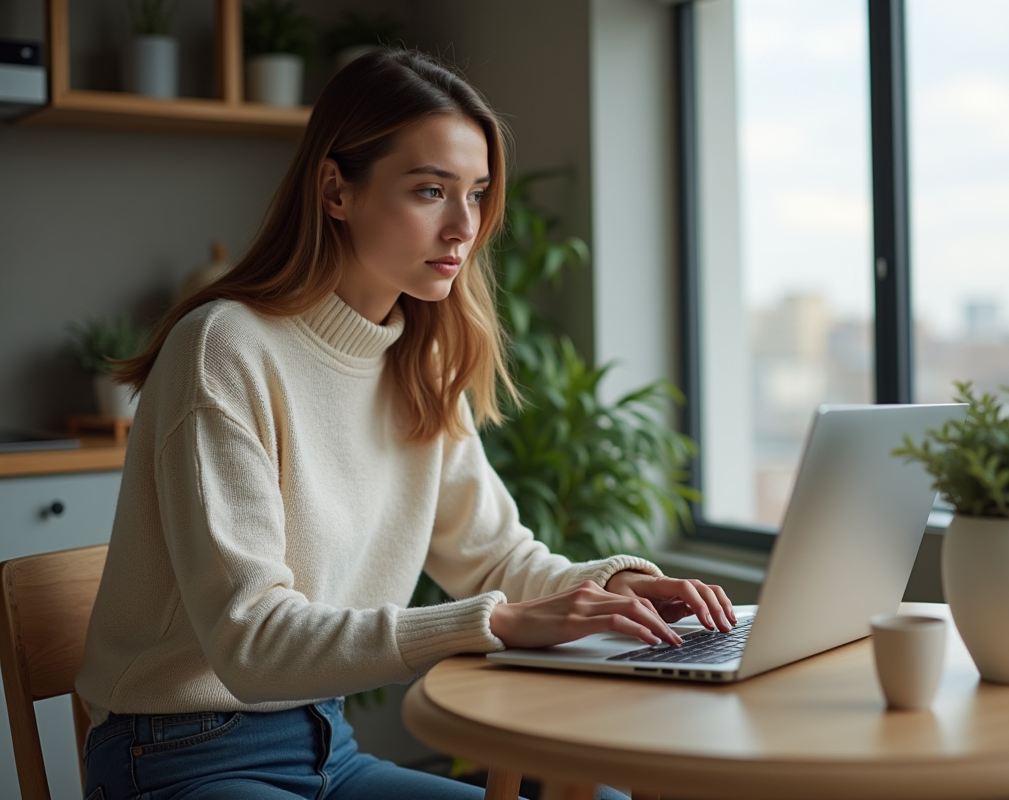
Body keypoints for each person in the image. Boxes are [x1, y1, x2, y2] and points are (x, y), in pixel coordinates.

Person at [75, 48, 735, 800]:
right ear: (335, 190)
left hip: (329, 745)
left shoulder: (420, 362)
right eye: (431, 191)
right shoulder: (225, 348)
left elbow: (494, 559)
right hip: (181, 756)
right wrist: (494, 623)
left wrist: (619, 587)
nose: (465, 227)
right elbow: (249, 641)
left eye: (479, 193)